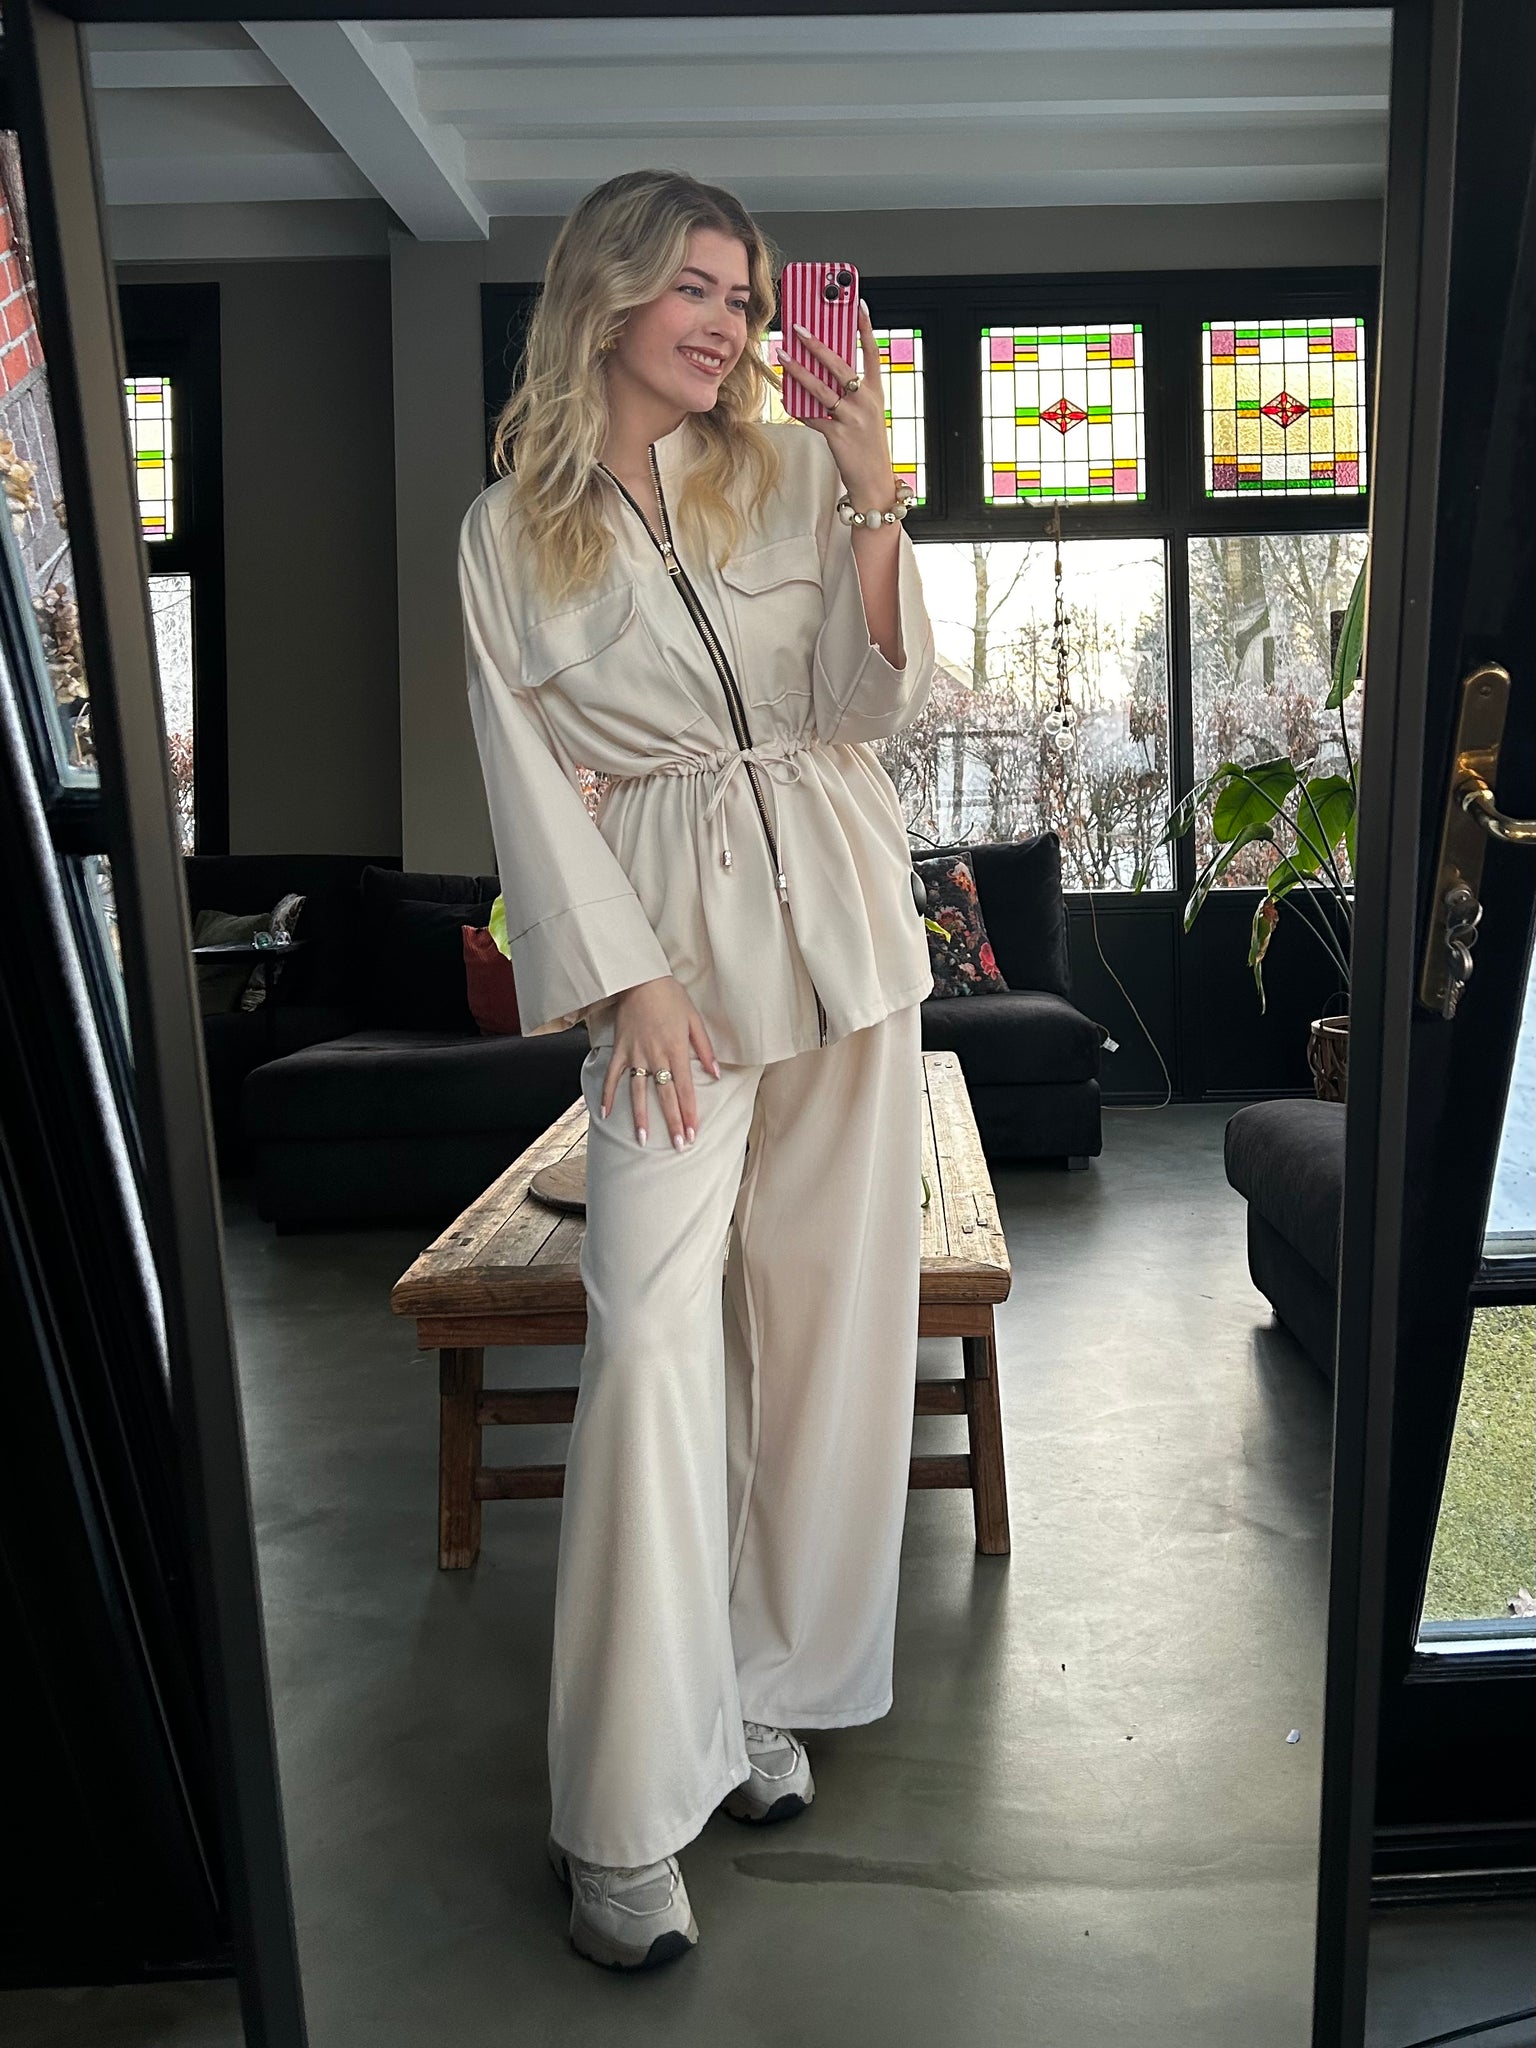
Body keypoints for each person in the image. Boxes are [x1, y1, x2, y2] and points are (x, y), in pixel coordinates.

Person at [456, 168, 937, 1971]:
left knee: (820, 1329)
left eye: (745, 294)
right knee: (653, 1337)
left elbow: (869, 711)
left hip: (850, 941)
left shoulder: (793, 471)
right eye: (700, 288)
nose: (730, 322)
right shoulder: (508, 533)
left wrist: (877, 492)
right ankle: (619, 1816)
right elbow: (522, 774)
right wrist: (629, 983)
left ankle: (757, 1691)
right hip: (670, 968)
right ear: (610, 293)